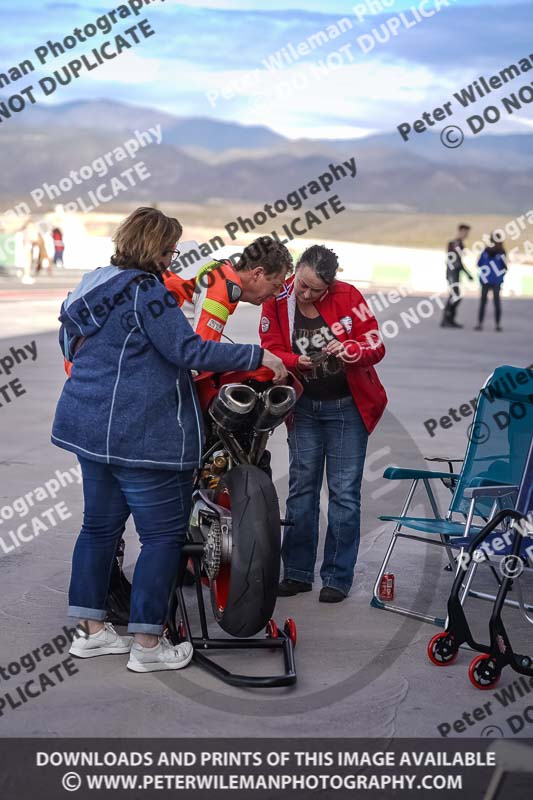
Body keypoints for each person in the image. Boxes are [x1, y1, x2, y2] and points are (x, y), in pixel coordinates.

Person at [51, 207, 286, 673]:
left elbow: (68, 343)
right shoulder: (146, 292)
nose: (173, 256)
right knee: (160, 537)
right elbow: (190, 351)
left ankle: (92, 634)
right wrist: (259, 354)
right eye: (170, 248)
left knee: (98, 529)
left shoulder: (95, 282)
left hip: (87, 425)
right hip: (137, 435)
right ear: (155, 247)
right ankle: (146, 644)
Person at [260, 244, 387, 603]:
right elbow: (268, 347)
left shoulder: (350, 296)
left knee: (344, 494)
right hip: (303, 408)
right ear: (295, 271)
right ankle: (297, 573)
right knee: (302, 490)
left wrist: (353, 350)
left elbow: (375, 342)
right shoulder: (277, 297)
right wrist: (296, 360)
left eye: (316, 290)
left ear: (330, 286)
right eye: (302, 284)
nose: (305, 293)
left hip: (347, 409)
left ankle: (337, 576)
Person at [164, 235, 292, 341]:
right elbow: (201, 355)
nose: (276, 294)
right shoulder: (224, 284)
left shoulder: (219, 269)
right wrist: (255, 358)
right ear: (257, 273)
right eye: (276, 285)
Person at [441, 223, 473, 328]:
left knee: (455, 296)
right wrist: (466, 273)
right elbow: (454, 261)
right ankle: (447, 319)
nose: (467, 235)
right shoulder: (454, 244)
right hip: (452, 273)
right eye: (466, 232)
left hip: (455, 273)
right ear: (461, 231)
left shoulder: (459, 244)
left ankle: (449, 319)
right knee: (455, 296)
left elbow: (458, 261)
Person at [475, 235, 507, 332]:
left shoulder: (496, 252)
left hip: (493, 280)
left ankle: (494, 324)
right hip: (489, 280)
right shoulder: (493, 252)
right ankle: (484, 324)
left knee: (492, 302)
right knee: (487, 302)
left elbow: (504, 267)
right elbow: (479, 264)